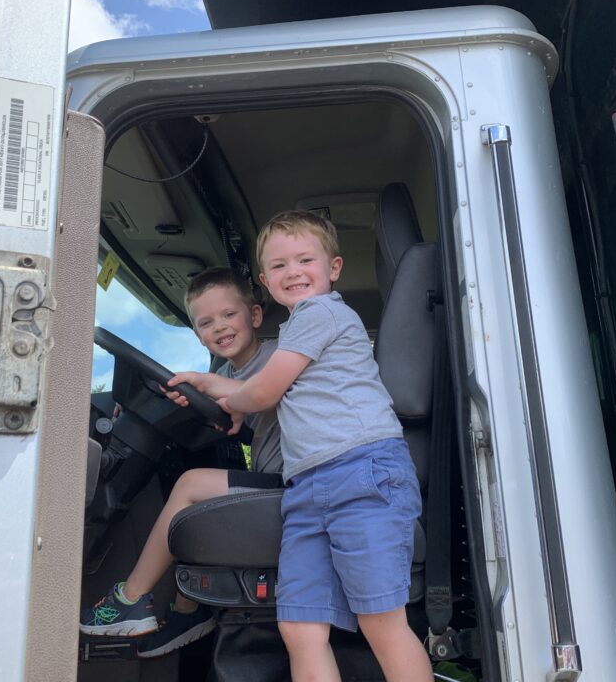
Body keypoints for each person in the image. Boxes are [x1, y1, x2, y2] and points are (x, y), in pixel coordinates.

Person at [169, 211, 433, 682]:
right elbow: (260, 390)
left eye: (304, 260)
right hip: (308, 489)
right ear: (265, 281)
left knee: (381, 621)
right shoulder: (294, 331)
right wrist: (215, 387)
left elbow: (263, 392)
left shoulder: (321, 312)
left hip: (363, 474)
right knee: (298, 626)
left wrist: (230, 399)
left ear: (334, 268)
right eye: (279, 265)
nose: (292, 272)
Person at [80, 267, 283, 658]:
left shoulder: (278, 358)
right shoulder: (223, 372)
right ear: (198, 335)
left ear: (255, 315)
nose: (219, 327)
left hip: (295, 482)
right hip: (271, 479)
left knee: (191, 485)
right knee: (194, 490)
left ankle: (130, 599)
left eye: (229, 314)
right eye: (206, 323)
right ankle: (189, 611)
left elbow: (270, 395)